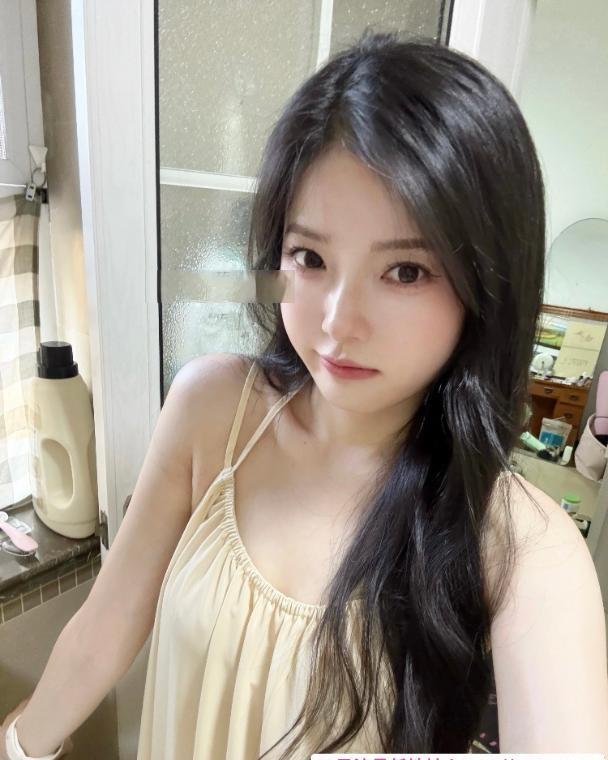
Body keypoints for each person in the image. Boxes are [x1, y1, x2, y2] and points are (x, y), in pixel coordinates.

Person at [2, 28, 608, 760]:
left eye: (406, 271)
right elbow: (106, 625)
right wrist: (19, 745)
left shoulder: (520, 542)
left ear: (487, 284)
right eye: (311, 257)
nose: (338, 323)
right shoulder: (214, 411)